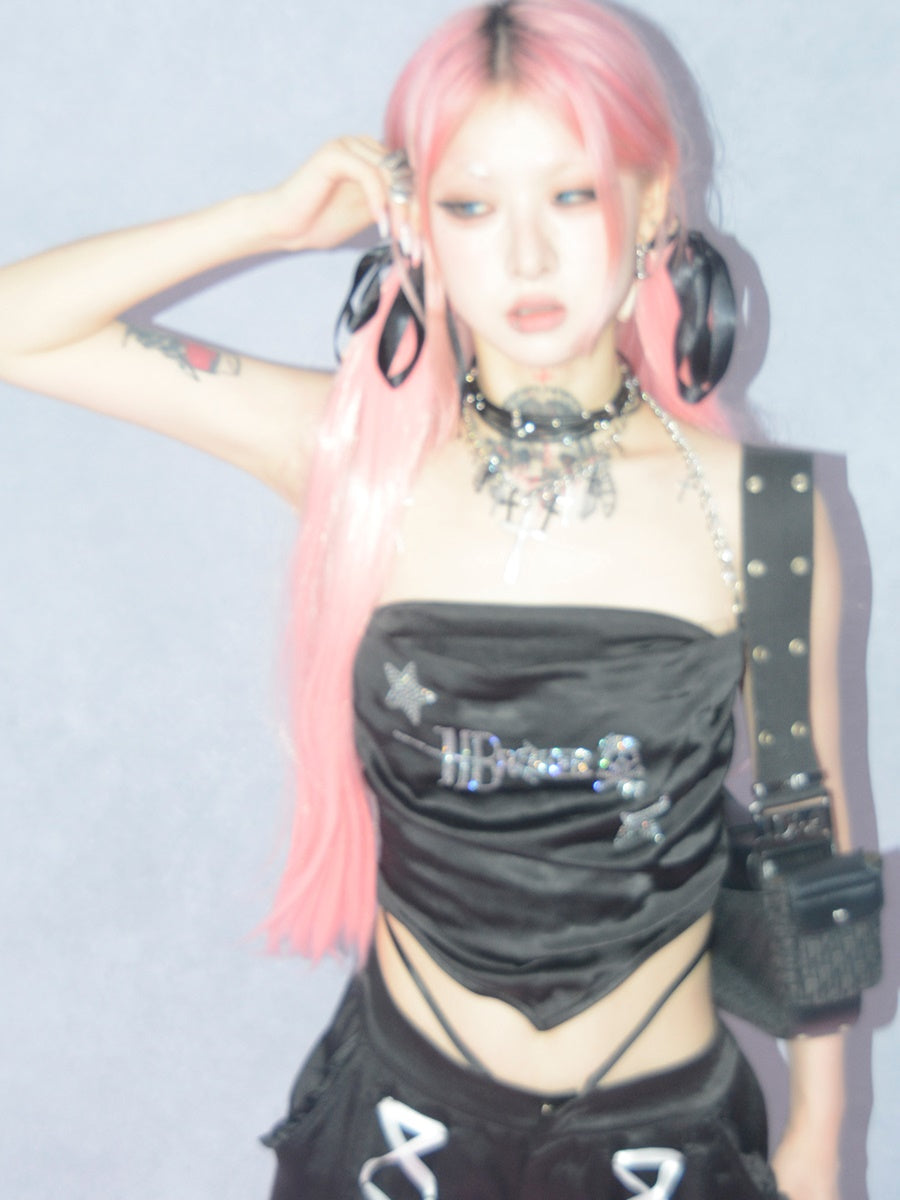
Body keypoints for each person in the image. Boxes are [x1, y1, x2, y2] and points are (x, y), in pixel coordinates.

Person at [0, 1, 854, 1197]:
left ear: (653, 203)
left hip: (660, 1145)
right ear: (417, 228)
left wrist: (820, 1132)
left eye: (571, 194)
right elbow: (20, 328)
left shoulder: (763, 511)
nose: (526, 257)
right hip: (396, 1137)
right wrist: (267, 219)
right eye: (470, 205)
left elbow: (813, 831)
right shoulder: (353, 460)